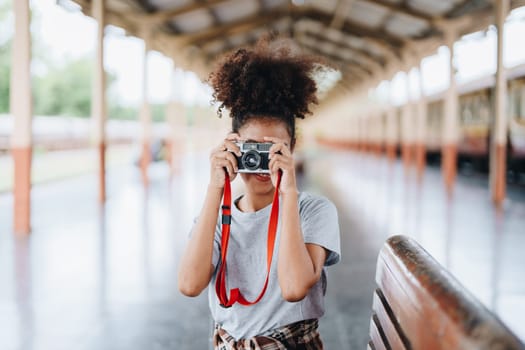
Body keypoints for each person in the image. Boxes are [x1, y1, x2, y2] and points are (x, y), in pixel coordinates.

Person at [177, 37, 341, 349]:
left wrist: (289, 193)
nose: (263, 163)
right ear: (233, 145)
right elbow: (188, 284)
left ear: (292, 149)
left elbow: (294, 287)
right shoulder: (215, 217)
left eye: (274, 150)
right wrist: (216, 187)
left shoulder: (315, 211)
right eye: (253, 148)